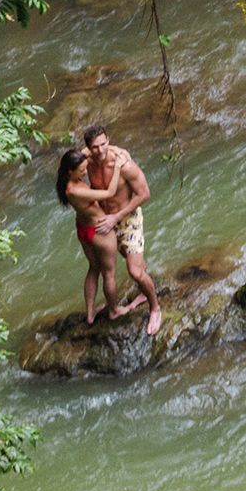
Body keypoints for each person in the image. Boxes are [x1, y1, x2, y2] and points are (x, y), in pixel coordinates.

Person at [81, 124, 162, 335]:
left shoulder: (123, 164)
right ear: (88, 148)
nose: (100, 151)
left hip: (126, 218)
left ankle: (155, 307)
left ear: (109, 140)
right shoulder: (86, 160)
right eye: (95, 147)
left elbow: (145, 193)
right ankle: (142, 292)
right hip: (103, 220)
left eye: (104, 144)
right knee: (127, 258)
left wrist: (116, 217)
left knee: (134, 271)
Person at [56, 147, 124, 324]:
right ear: (70, 171)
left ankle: (90, 313)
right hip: (99, 229)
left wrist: (104, 147)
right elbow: (109, 192)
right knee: (109, 273)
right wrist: (117, 167)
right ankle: (115, 310)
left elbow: (85, 151)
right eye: (82, 170)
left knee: (94, 268)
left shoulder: (66, 178)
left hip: (83, 229)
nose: (85, 172)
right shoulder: (74, 190)